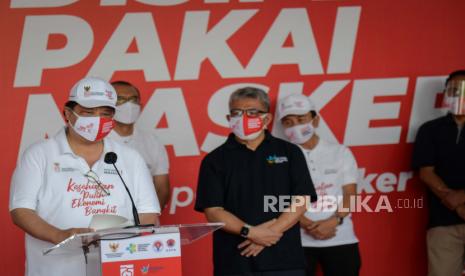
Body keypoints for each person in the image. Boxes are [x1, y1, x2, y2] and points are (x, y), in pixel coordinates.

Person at [9, 77, 160, 276]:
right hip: (54, 269)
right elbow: (21, 210)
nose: (97, 119)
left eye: (105, 113)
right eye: (88, 112)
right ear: (67, 113)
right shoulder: (40, 154)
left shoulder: (129, 157)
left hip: (115, 266)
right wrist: (59, 235)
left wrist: (119, 237)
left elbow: (149, 214)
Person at [195, 87, 317, 276]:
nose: (243, 118)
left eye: (252, 112)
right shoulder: (214, 160)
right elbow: (213, 212)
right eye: (237, 113)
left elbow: (302, 200)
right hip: (234, 261)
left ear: (266, 119)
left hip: (284, 260)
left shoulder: (290, 152)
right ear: (229, 119)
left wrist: (269, 234)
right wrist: (250, 232)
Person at [277, 94, 361, 276]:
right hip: (297, 241)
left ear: (315, 120)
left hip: (341, 237)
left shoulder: (340, 152)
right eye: (288, 122)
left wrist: (335, 221)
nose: (296, 126)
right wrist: (307, 225)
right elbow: (280, 199)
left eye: (301, 119)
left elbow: (350, 194)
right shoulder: (279, 158)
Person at [412, 70, 465, 276]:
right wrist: (454, 203)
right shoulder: (430, 130)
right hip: (443, 223)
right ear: (446, 94)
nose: (458, 95)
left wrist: (460, 197)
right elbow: (426, 172)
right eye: (453, 90)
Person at [108, 80, 170, 209]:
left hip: (145, 225)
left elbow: (162, 189)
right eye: (120, 99)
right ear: (107, 106)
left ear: (140, 106)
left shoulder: (152, 142)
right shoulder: (96, 140)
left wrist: (146, 218)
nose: (128, 105)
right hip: (106, 223)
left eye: (133, 99)